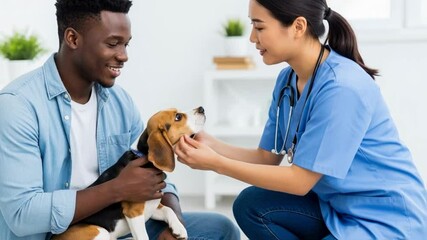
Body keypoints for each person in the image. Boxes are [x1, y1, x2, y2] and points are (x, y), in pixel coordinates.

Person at [174, 0, 427, 239]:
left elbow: (299, 182)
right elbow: (267, 158)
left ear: (298, 26)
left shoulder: (342, 88)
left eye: (259, 26)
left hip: (385, 219)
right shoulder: (287, 81)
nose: (252, 38)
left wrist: (216, 164)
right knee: (251, 204)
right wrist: (211, 144)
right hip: (336, 208)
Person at [0, 0, 240, 239]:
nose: (124, 56)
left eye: (126, 44)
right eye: (113, 44)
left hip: (117, 226)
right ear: (72, 39)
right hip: (61, 235)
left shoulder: (119, 102)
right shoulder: (18, 106)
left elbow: (151, 176)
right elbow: (22, 214)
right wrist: (115, 189)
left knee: (220, 228)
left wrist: (172, 225)